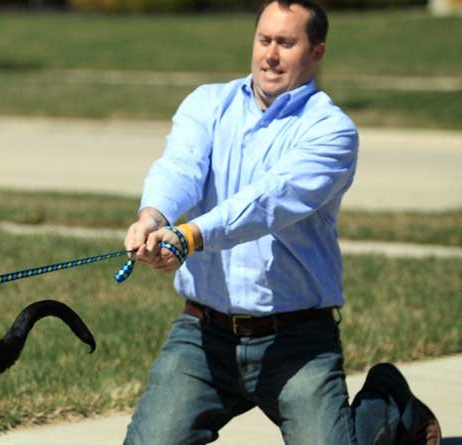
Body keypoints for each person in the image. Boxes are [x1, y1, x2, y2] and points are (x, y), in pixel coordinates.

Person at [122, 1, 441, 444]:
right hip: (203, 336)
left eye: (286, 43)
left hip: (298, 341)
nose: (270, 54)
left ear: (317, 53)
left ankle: (388, 402)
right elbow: (180, 168)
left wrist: (190, 235)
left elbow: (269, 201)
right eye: (264, 40)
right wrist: (152, 216)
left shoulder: (331, 131)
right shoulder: (208, 103)